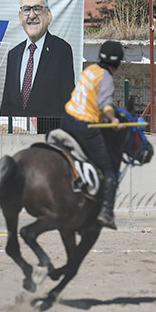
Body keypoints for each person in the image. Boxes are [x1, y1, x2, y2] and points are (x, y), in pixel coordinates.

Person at [60, 40, 125, 230]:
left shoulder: (89, 71)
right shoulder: (106, 78)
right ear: (118, 62)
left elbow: (89, 98)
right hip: (84, 127)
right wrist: (113, 120)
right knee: (110, 171)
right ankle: (106, 213)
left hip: (67, 120)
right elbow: (105, 104)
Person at [0, 0, 75, 130]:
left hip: (47, 139)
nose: (32, 15)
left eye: (38, 9)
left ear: (49, 15)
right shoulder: (13, 54)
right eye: (26, 9)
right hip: (16, 137)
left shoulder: (61, 50)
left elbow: (68, 101)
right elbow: (6, 104)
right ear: (20, 17)